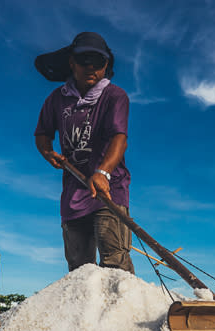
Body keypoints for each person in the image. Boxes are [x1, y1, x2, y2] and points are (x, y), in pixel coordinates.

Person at [34, 32, 134, 274]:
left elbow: (119, 138)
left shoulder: (114, 96)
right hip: (73, 194)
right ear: (71, 62)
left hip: (108, 190)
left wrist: (103, 172)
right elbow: (42, 133)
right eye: (83, 60)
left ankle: (123, 312)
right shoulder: (56, 99)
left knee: (114, 264)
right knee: (79, 271)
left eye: (97, 62)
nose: (90, 67)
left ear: (106, 65)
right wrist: (48, 152)